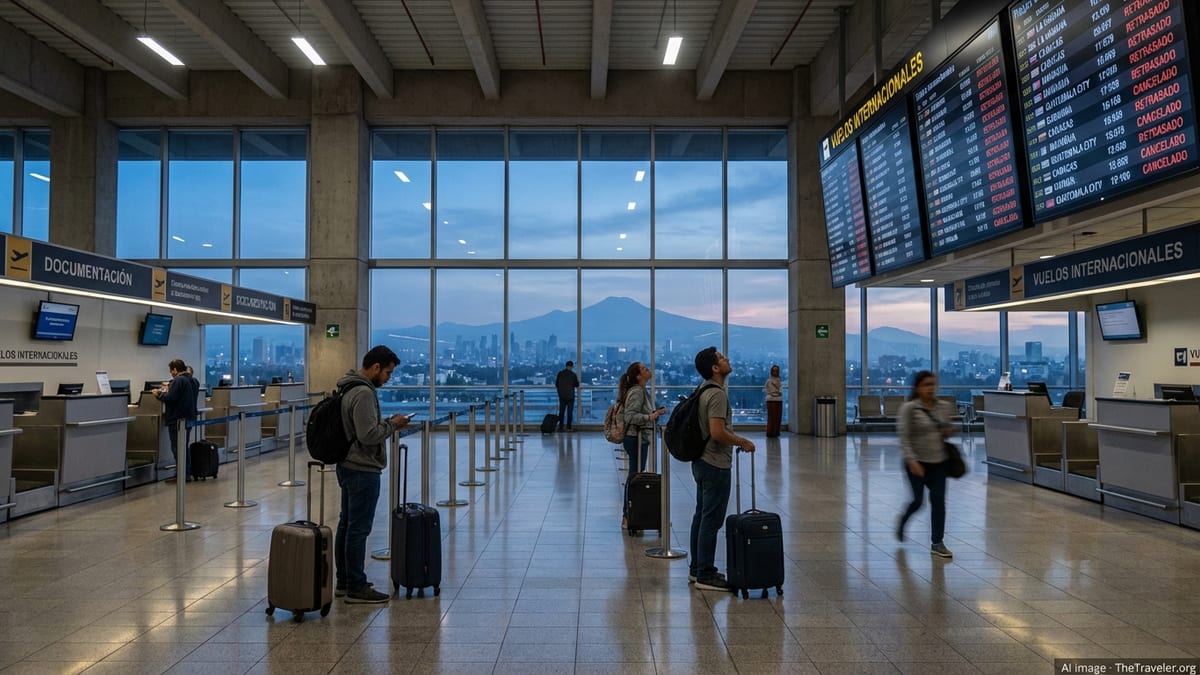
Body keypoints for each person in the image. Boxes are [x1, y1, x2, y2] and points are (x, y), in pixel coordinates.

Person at [335, 345, 411, 603]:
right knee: (358, 529)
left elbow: (360, 428)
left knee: (346, 525)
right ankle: (356, 586)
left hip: (346, 464)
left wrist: (382, 424)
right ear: (376, 367)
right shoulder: (364, 393)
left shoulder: (347, 386)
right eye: (388, 372)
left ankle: (344, 581)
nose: (388, 378)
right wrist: (393, 424)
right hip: (362, 468)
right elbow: (367, 435)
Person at [688, 347, 755, 591]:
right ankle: (706, 573)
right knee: (711, 520)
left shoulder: (703, 389)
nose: (727, 359)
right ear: (715, 368)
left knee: (701, 516)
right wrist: (742, 442)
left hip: (701, 461)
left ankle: (696, 569)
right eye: (721, 358)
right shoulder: (716, 394)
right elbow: (717, 432)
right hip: (715, 463)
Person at [896, 370, 957, 559]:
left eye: (933, 384)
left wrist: (948, 431)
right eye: (926, 385)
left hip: (939, 462)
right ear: (917, 388)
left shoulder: (943, 407)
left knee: (939, 502)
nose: (930, 388)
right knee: (918, 501)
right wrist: (912, 460)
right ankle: (904, 520)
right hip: (917, 463)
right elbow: (904, 437)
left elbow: (946, 429)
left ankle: (937, 542)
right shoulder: (909, 408)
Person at [618, 362, 666, 531]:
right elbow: (630, 416)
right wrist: (650, 417)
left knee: (635, 474)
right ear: (638, 376)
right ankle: (628, 514)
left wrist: (654, 414)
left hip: (639, 438)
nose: (649, 370)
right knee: (635, 476)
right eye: (645, 369)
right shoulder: (637, 391)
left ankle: (631, 513)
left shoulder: (641, 390)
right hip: (636, 438)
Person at [154, 359, 197, 483]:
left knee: (177, 448)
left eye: (171, 370)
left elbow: (171, 398)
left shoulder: (178, 380)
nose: (171, 373)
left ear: (175, 369)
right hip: (189, 417)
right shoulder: (193, 380)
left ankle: (181, 476)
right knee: (184, 446)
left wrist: (159, 394)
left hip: (177, 419)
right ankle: (186, 473)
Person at [554, 360, 580, 431]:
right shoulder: (573, 375)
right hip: (570, 396)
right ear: (571, 367)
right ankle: (568, 427)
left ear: (566, 366)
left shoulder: (560, 373)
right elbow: (576, 385)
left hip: (562, 396)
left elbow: (557, 384)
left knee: (561, 412)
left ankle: (561, 427)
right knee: (569, 412)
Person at [764, 364, 783, 437]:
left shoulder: (778, 380)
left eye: (776, 371)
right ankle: (771, 432)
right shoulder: (769, 380)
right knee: (772, 417)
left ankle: (776, 432)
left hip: (778, 399)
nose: (775, 372)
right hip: (771, 399)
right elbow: (768, 389)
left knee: (778, 417)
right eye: (774, 370)